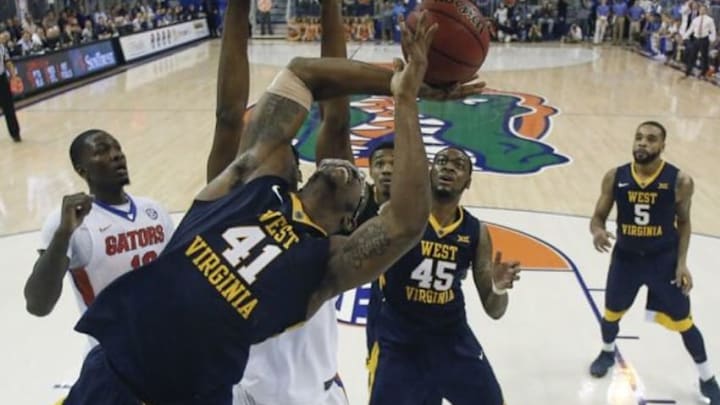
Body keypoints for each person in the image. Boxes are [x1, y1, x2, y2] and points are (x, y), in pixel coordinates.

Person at [62, 6, 485, 404]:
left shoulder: (323, 265)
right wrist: (396, 80)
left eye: (358, 177)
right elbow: (295, 80)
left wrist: (407, 101)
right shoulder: (243, 193)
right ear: (294, 178)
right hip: (112, 372)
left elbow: (406, 219)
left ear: (350, 219)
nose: (347, 167)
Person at [234, 0, 353, 402]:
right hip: (248, 391)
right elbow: (227, 115)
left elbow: (336, 114)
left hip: (318, 393)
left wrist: (330, 6)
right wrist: (237, 11)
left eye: (282, 145)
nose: (272, 143)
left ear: (300, 173)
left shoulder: (325, 215)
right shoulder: (235, 206)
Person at [367, 146, 522, 405]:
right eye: (441, 161)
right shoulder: (400, 214)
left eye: (458, 165)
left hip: (451, 339)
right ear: (429, 172)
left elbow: (495, 310)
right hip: (400, 341)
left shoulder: (475, 231)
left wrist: (498, 287)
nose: (448, 167)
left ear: (468, 182)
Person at [588, 121, 720, 404]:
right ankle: (607, 351)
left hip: (663, 261)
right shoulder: (615, 176)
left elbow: (684, 223)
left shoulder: (679, 180)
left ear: (662, 146)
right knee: (611, 314)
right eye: (638, 138)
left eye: (650, 139)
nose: (642, 144)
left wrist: (682, 263)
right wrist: (597, 231)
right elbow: (597, 217)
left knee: (685, 322)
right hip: (626, 259)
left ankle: (707, 377)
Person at [24, 129, 174, 320]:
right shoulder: (68, 220)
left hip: (167, 340)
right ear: (82, 170)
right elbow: (38, 305)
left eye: (118, 148)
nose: (116, 155)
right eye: (102, 151)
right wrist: (63, 234)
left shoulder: (154, 210)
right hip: (112, 346)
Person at [0, 31, 20, 142]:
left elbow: (8, 62)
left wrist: (14, 76)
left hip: (1, 79)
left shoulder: (2, 47)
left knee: (9, 108)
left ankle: (15, 133)